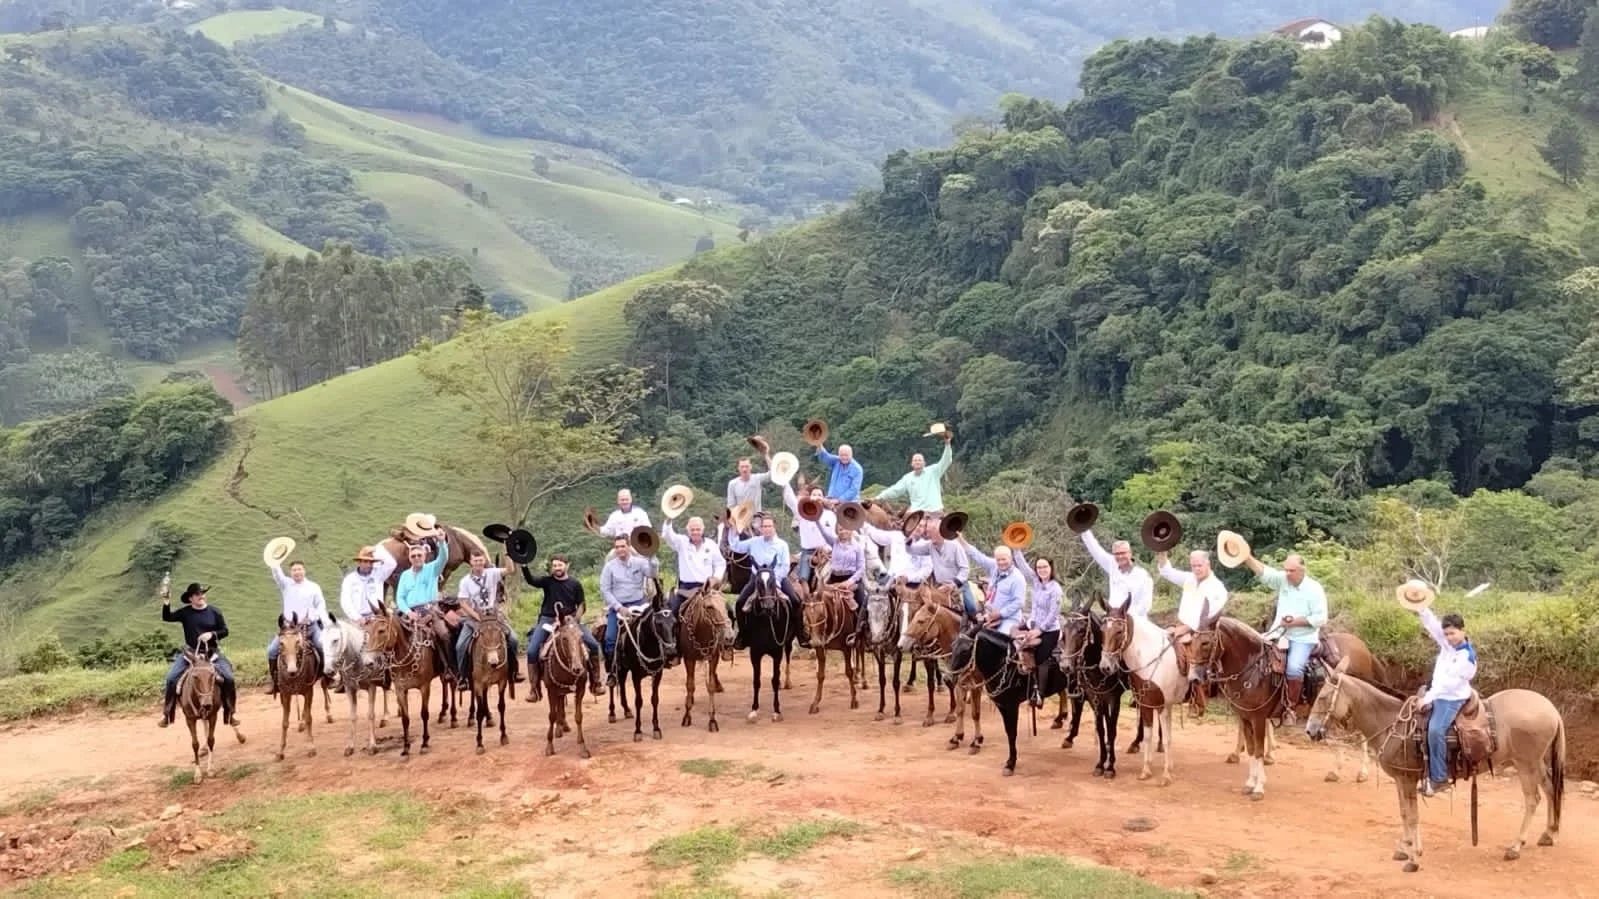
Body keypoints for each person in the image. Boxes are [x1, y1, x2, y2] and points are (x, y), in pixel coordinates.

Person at [1241, 551, 1328, 724]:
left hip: (1303, 638)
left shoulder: (1314, 589)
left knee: (1294, 668)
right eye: (1286, 570)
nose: (1287, 574)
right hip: (1277, 633)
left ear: (1302, 570)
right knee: (1256, 658)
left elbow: (1321, 618)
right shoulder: (1283, 580)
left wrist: (1296, 622)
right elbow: (1264, 573)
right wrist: (1246, 557)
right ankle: (1257, 700)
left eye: (1291, 571)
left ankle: (1290, 708)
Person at [1413, 598, 1477, 797]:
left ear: (1463, 631)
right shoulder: (1449, 645)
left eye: (1452, 633)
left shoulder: (1466, 657)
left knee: (1435, 730)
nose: (1449, 637)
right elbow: (1433, 626)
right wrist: (1421, 607)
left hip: (1451, 698)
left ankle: (1439, 778)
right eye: (1447, 633)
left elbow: (1448, 684)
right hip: (1439, 692)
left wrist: (1428, 698)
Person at [1156, 548, 1229, 715]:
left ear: (1208, 564)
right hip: (1180, 625)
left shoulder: (1218, 587)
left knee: (1194, 656)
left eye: (1199, 565)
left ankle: (1196, 699)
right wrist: (1162, 552)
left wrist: (1186, 628)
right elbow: (1167, 572)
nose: (1196, 569)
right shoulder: (1189, 579)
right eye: (1193, 566)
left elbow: (1211, 615)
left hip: (1203, 631)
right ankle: (1153, 689)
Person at [522, 554, 603, 701]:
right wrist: (524, 565)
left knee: (592, 644)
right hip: (548, 620)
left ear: (567, 565)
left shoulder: (575, 584)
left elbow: (581, 605)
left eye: (560, 565)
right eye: (554, 566)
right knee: (532, 650)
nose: (557, 568)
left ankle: (596, 682)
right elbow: (531, 580)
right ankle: (534, 689)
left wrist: (575, 619)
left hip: (570, 620)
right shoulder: (547, 582)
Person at [160, 582, 238, 729]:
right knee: (171, 678)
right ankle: (167, 714)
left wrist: (212, 634)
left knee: (229, 678)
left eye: (202, 593)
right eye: (197, 594)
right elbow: (167, 617)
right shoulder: (185, 613)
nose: (201, 596)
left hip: (211, 654)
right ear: (191, 598)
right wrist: (166, 601)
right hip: (190, 654)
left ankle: (230, 713)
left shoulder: (215, 612)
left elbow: (225, 631)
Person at [727, 513, 805, 648]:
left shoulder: (782, 545)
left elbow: (785, 566)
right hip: (756, 578)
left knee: (796, 600)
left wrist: (775, 581)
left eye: (769, 526)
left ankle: (800, 633)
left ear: (774, 527)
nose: (767, 529)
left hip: (777, 577)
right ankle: (743, 634)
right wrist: (733, 528)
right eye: (764, 526)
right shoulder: (754, 542)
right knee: (740, 602)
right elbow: (735, 546)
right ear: (760, 529)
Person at [454, 549, 522, 686]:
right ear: (470, 562)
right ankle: (463, 677)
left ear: (484, 561)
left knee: (513, 639)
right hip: (474, 617)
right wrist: (475, 616)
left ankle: (514, 672)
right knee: (460, 645)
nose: (478, 563)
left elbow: (510, 569)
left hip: (493, 616)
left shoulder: (492, 573)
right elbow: (463, 603)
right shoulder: (465, 581)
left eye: (480, 560)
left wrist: (507, 554)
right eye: (475, 561)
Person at [265, 556, 331, 696]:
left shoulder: (314, 587)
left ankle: (327, 675)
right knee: (271, 650)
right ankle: (275, 681)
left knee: (321, 645)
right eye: (294, 570)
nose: (297, 572)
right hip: (289, 629)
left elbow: (320, 605)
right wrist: (275, 562)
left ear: (304, 570)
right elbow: (277, 574)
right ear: (290, 572)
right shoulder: (286, 584)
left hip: (310, 626)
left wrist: (318, 618)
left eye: (299, 569)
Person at [600, 535, 660, 685]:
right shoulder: (609, 567)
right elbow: (605, 590)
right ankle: (612, 671)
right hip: (618, 607)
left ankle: (662, 660)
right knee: (610, 638)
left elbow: (652, 574)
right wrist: (618, 607)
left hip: (640, 604)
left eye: (623, 546)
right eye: (617, 547)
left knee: (658, 627)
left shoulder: (640, 562)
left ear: (628, 547)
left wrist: (652, 557)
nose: (620, 549)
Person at [395, 530, 455, 672]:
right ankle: (390, 672)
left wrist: (441, 542)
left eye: (419, 555)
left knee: (444, 635)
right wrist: (409, 612)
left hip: (430, 611)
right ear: (410, 558)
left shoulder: (432, 568)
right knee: (389, 634)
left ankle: (450, 669)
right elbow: (400, 598)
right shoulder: (405, 575)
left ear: (424, 556)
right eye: (413, 556)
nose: (416, 558)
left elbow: (443, 558)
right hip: (409, 614)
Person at [818, 520, 882, 644]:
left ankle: (863, 633)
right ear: (837, 531)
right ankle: (817, 631)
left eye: (846, 528)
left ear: (852, 530)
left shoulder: (858, 547)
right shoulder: (834, 542)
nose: (843, 531)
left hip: (852, 579)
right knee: (817, 599)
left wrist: (849, 581)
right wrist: (815, 519)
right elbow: (823, 532)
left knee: (864, 601)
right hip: (834, 579)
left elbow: (861, 568)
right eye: (840, 529)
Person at [1012, 548, 1062, 709]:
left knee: (1040, 657)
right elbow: (1023, 566)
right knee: (1011, 634)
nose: (1042, 570)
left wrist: (1039, 630)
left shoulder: (1056, 589)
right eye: (1039, 567)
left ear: (1051, 568)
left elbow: (1054, 614)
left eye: (1045, 567)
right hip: (1033, 622)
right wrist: (1016, 548)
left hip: (1050, 629)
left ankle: (1039, 693)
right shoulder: (1036, 581)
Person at [661, 516, 730, 627]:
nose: (695, 532)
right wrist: (669, 519)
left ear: (702, 530)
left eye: (698, 529)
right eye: (692, 530)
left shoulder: (711, 544)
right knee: (673, 614)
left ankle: (729, 639)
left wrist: (716, 578)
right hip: (685, 589)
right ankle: (674, 643)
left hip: (706, 588)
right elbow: (667, 536)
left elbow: (720, 563)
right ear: (688, 531)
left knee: (727, 610)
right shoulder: (681, 542)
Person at [907, 517, 978, 617]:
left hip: (958, 585)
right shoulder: (930, 546)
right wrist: (909, 539)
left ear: (940, 532)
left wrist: (953, 584)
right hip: (940, 586)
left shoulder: (954, 545)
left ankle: (973, 627)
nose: (928, 536)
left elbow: (965, 569)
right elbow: (911, 550)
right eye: (928, 533)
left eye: (931, 533)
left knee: (971, 607)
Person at [874, 429, 953, 513]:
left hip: (935, 511)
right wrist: (878, 498)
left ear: (924, 463)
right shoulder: (907, 478)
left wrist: (947, 444)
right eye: (915, 460)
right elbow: (895, 490)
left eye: (920, 460)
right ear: (911, 464)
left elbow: (946, 460)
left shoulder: (933, 471)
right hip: (916, 514)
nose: (917, 462)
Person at [1080, 529, 1154, 619]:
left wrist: (1124, 615)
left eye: (1123, 553)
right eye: (1116, 554)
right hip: (1112, 620)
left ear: (1130, 553)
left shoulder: (1143, 575)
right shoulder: (1113, 565)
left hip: (1135, 622)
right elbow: (1096, 550)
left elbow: (1145, 605)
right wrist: (1084, 529)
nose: (1120, 556)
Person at [783, 482, 836, 588]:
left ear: (823, 498)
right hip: (807, 553)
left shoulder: (830, 515)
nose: (817, 497)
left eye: (819, 495)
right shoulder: (801, 513)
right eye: (814, 494)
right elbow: (790, 500)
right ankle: (805, 599)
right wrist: (785, 482)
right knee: (803, 578)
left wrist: (828, 549)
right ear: (810, 497)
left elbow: (833, 536)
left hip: (826, 553)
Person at [340, 546, 386, 622]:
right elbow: (345, 601)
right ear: (359, 562)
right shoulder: (349, 579)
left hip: (375, 618)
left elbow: (391, 563)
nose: (369, 565)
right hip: (355, 619)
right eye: (365, 562)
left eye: (371, 562)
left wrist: (377, 548)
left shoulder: (378, 576)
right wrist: (357, 618)